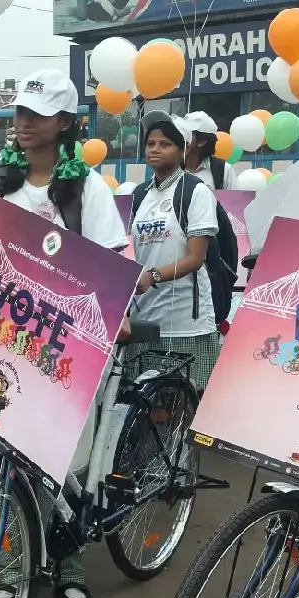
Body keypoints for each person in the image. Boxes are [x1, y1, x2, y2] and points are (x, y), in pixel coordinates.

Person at [0, 70, 128, 598]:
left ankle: (70, 569)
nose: (24, 124)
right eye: (19, 113)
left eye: (37, 114)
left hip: (65, 347)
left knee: (58, 463)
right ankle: (9, 571)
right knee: (2, 459)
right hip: (2, 338)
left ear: (65, 123)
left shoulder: (89, 189)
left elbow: (111, 266)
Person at [127, 111, 221, 391]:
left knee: (190, 401)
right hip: (144, 318)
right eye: (151, 143)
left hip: (185, 323)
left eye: (165, 144)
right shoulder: (140, 194)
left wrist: (152, 276)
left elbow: (195, 258)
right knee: (144, 411)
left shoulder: (196, 191)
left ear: (183, 150)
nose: (155, 149)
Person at [181, 112, 238, 190]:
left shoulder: (223, 170)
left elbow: (233, 201)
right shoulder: (170, 167)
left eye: (186, 134)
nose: (180, 138)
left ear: (202, 142)